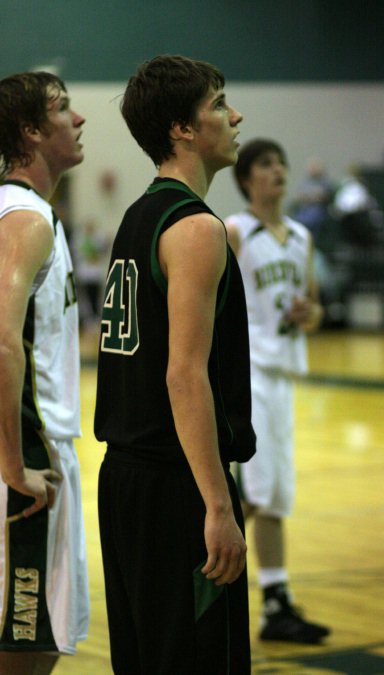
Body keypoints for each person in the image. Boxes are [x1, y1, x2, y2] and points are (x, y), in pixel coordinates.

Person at [94, 55, 256, 675]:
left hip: (127, 482)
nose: (234, 115)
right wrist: (217, 505)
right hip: (177, 485)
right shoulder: (195, 228)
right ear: (181, 129)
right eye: (218, 103)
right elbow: (183, 375)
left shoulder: (139, 217)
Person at [0, 72, 89, 674]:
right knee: (26, 650)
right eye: (63, 109)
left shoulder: (27, 214)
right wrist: (13, 465)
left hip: (37, 445)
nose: (78, 119)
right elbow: (2, 339)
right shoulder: (24, 218)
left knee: (44, 641)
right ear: (31, 130)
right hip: (27, 452)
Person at [225, 138, 331, 644]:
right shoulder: (234, 231)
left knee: (274, 497)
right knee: (257, 491)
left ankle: (274, 602)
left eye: (282, 162)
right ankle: (196, 575)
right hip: (248, 375)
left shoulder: (301, 238)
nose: (279, 171)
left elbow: (315, 308)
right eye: (267, 164)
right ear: (246, 178)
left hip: (284, 374)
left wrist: (308, 314)